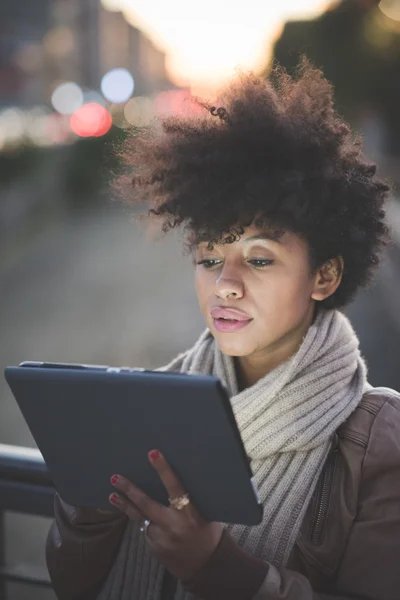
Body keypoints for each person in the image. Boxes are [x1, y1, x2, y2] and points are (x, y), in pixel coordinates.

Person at [46, 59, 400, 600]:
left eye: (259, 260)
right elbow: (71, 583)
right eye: (209, 259)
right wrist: (88, 508)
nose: (225, 285)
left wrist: (217, 568)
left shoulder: (377, 441)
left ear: (323, 276)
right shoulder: (147, 406)